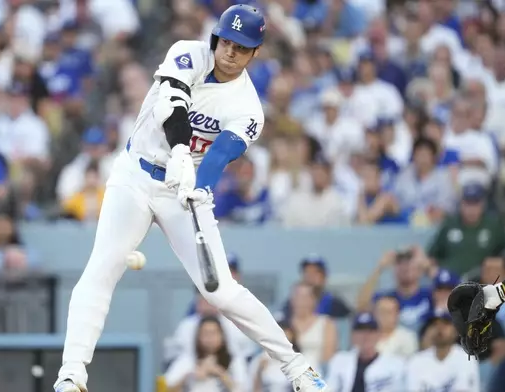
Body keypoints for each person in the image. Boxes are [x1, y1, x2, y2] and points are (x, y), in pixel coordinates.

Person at [54, 5, 327, 392]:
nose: (231, 52)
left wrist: (200, 187)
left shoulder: (247, 106)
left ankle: (299, 369)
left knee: (220, 290)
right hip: (135, 173)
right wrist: (181, 150)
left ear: (255, 53)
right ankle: (71, 373)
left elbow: (221, 153)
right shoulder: (188, 52)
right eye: (226, 42)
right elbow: (172, 103)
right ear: (216, 38)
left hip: (183, 189)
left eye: (242, 46)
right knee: (102, 267)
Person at [164, 316, 248, 392]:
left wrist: (219, 373)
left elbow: (242, 389)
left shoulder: (234, 360)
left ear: (222, 336)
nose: (209, 338)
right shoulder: (187, 359)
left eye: (213, 333)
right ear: (198, 337)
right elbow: (168, 388)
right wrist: (191, 376)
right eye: (205, 334)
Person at [325, 313, 405, 392]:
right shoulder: (340, 360)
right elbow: (327, 388)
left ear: (378, 335)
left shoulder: (394, 364)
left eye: (370, 331)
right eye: (360, 331)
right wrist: (312, 374)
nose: (366, 335)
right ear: (353, 335)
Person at [405, 309, 481, 392]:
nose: (439, 328)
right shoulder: (416, 361)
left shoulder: (466, 358)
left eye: (445, 323)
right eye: (434, 324)